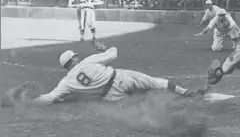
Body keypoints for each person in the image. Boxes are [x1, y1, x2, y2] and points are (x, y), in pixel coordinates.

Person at [3, 41, 199, 106]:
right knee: (156, 83)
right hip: (120, 77)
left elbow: (50, 98)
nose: (78, 58)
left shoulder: (66, 82)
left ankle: (146, 106)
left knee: (137, 99)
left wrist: (30, 101)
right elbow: (113, 54)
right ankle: (184, 92)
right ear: (72, 60)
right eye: (75, 57)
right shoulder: (87, 61)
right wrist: (105, 47)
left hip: (111, 96)